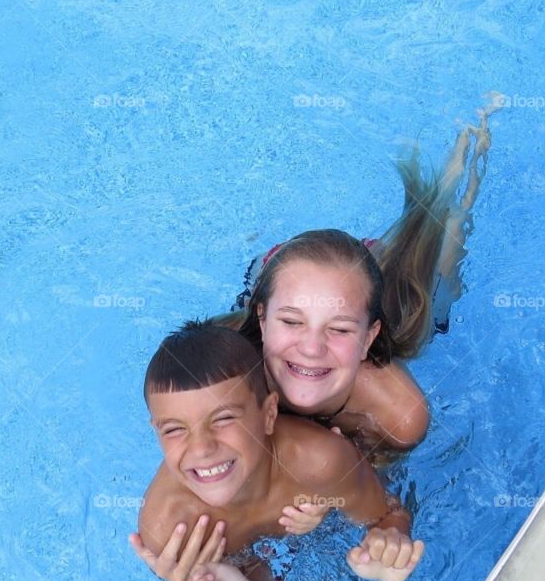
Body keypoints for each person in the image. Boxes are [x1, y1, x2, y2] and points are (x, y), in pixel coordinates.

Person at [212, 93, 501, 454]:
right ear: (262, 319)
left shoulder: (398, 416)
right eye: (290, 323)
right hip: (287, 271)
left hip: (393, 301)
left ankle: (465, 163)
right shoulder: (222, 361)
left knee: (442, 254)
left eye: (339, 330)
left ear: (368, 338)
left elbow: (379, 503)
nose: (311, 348)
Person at [130, 321, 425, 581]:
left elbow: (387, 512)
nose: (202, 449)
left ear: (269, 414)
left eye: (224, 419)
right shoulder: (171, 529)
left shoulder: (319, 461)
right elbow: (258, 579)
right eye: (174, 429)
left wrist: (390, 541)